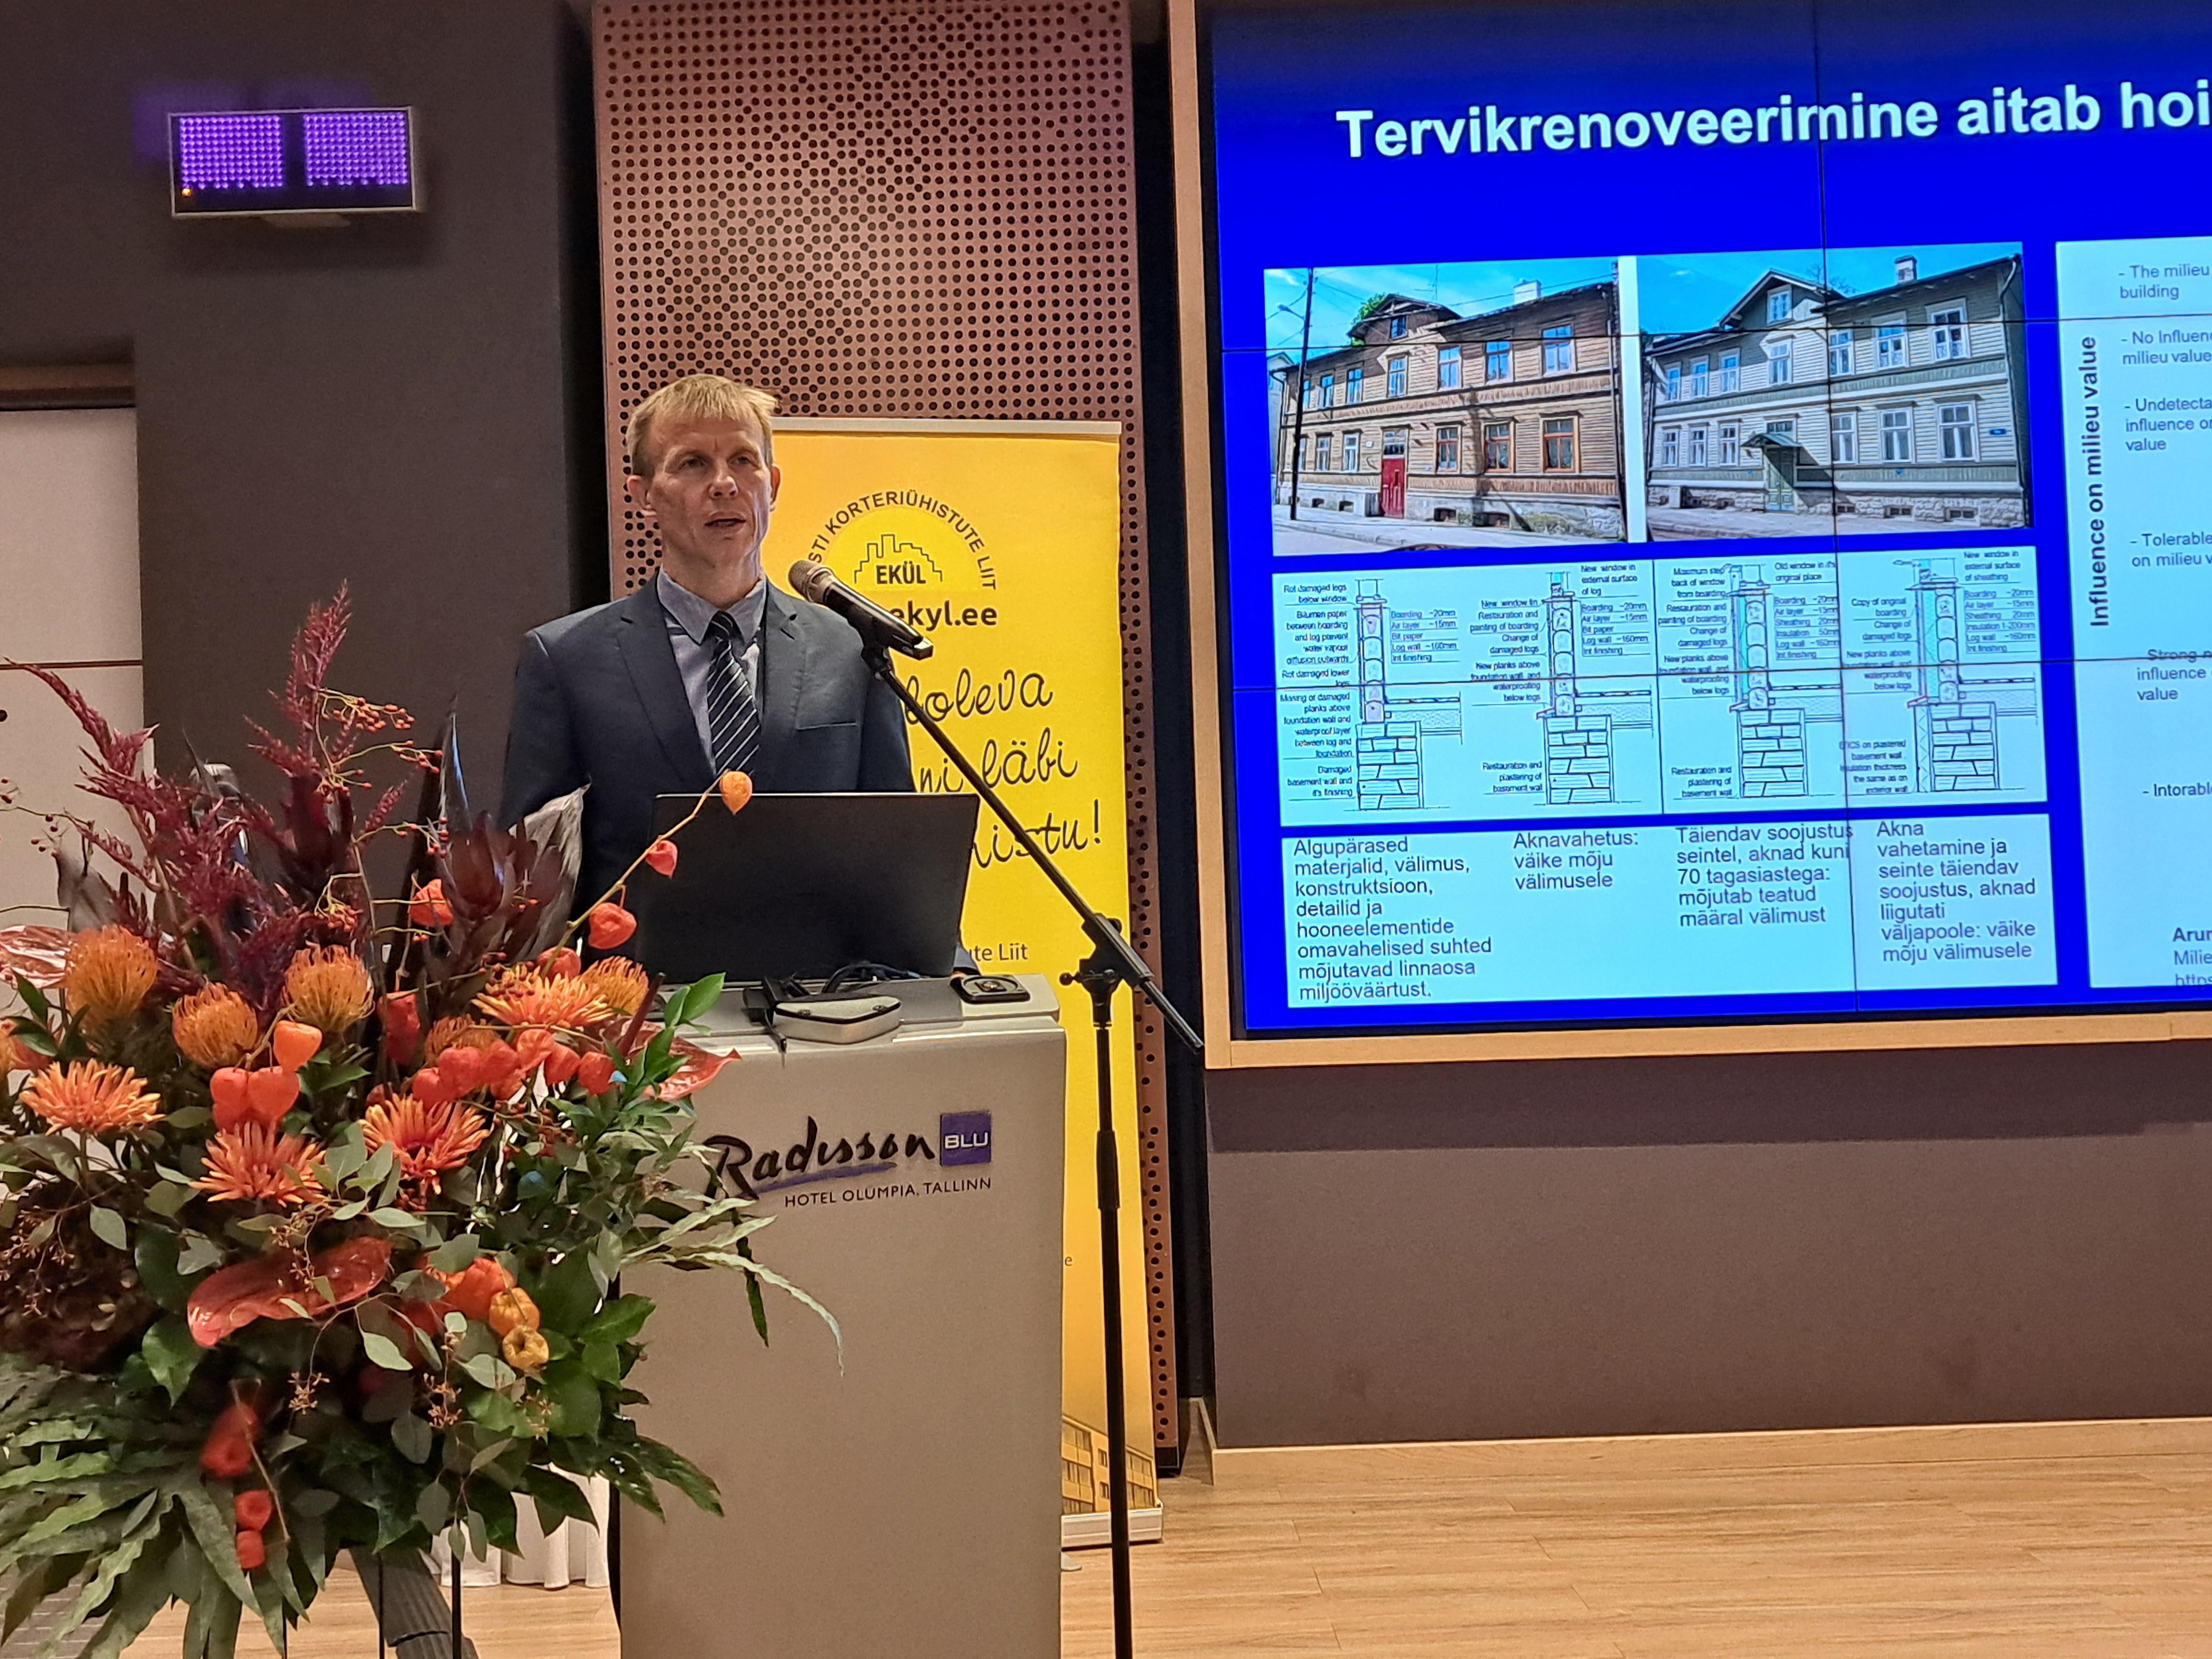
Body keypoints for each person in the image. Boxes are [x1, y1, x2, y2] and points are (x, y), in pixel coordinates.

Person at [499, 375, 912, 911]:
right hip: (638, 965)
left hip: (815, 965)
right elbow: (530, 883)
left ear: (772, 485)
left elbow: (899, 853)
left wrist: (945, 958)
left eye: (743, 461)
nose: (724, 484)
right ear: (644, 495)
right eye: (693, 463)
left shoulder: (850, 649)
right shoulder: (567, 660)